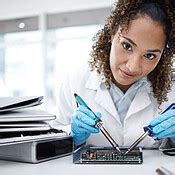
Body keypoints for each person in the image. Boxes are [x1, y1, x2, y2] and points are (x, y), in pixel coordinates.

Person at [57, 0, 175, 149]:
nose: (132, 66)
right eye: (127, 46)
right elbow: (53, 142)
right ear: (112, 34)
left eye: (150, 56)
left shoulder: (172, 89)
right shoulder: (75, 80)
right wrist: (72, 136)